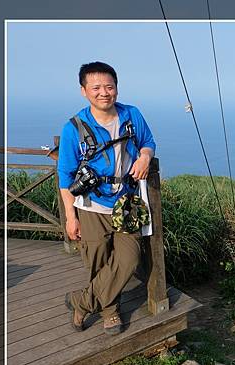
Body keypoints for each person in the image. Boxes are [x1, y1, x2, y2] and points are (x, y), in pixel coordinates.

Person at [57, 61, 156, 335]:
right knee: (97, 261)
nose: (104, 92)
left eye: (109, 86)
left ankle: (82, 301)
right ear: (84, 91)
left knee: (129, 258)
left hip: (126, 204)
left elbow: (148, 140)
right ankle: (111, 313)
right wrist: (70, 217)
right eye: (96, 87)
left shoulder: (131, 115)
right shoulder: (74, 128)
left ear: (116, 88)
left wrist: (145, 156)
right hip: (90, 206)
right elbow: (65, 176)